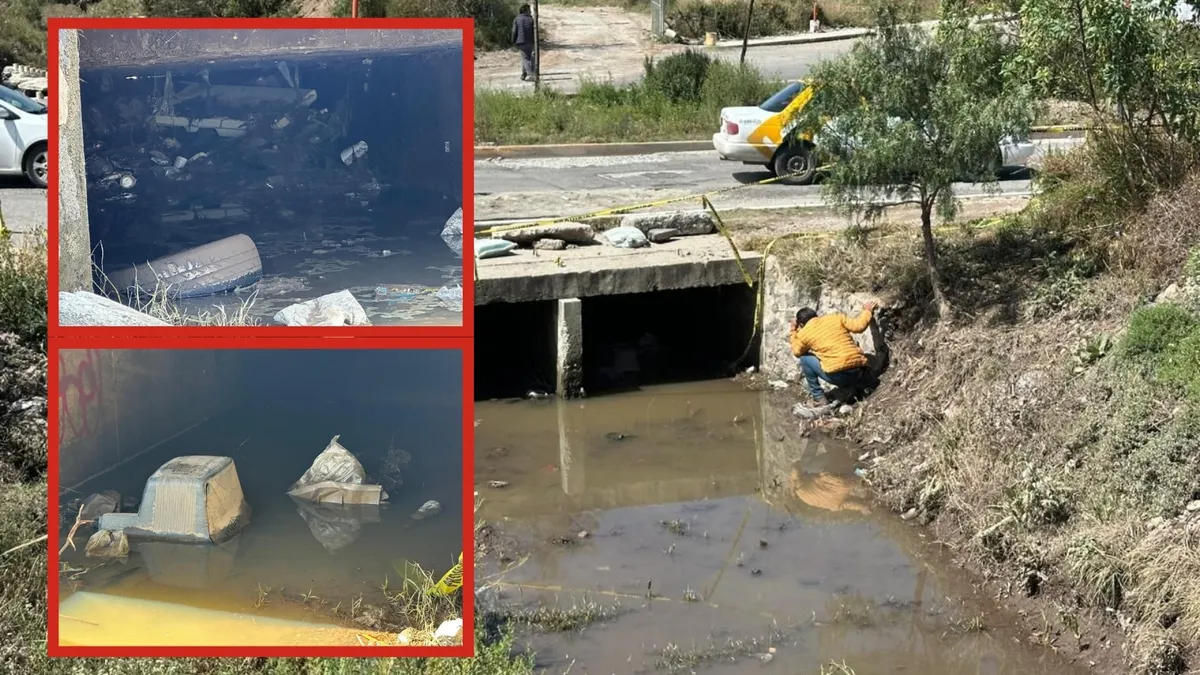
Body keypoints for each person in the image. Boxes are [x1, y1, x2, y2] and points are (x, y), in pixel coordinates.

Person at [788, 301, 878, 409]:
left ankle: (819, 398)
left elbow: (797, 352)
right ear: (816, 315)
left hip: (839, 377)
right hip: (860, 371)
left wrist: (793, 330)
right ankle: (856, 384)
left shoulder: (804, 333)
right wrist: (867, 311)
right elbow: (859, 326)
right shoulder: (836, 317)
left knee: (805, 359)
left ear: (801, 325)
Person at [512, 4, 537, 82]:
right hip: (531, 41)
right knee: (529, 58)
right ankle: (529, 73)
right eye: (529, 10)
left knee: (525, 58)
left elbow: (514, 31)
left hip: (520, 42)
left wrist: (513, 41)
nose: (530, 12)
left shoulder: (516, 19)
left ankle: (527, 74)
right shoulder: (531, 19)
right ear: (526, 11)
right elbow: (535, 31)